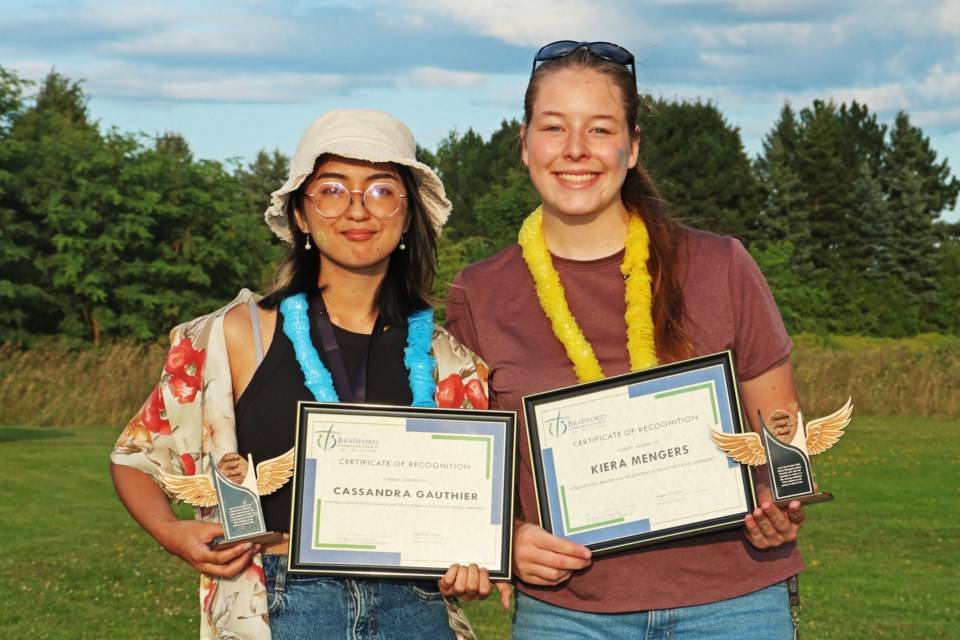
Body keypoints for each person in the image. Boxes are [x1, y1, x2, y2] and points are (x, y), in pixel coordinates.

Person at [445, 41, 806, 638]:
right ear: (525, 143)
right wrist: (506, 539)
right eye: (554, 127)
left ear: (631, 146)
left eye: (599, 128)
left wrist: (779, 495)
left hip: (734, 601)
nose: (575, 150)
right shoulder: (479, 292)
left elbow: (781, 425)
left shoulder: (720, 265)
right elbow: (470, 468)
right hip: (567, 612)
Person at [110, 108, 510, 640]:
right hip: (281, 601)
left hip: (413, 603)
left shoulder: (449, 362)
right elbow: (135, 455)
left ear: (409, 212)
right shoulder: (236, 336)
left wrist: (468, 560)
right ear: (300, 213)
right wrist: (170, 532)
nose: (357, 210)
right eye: (332, 189)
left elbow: (469, 511)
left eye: (381, 190)